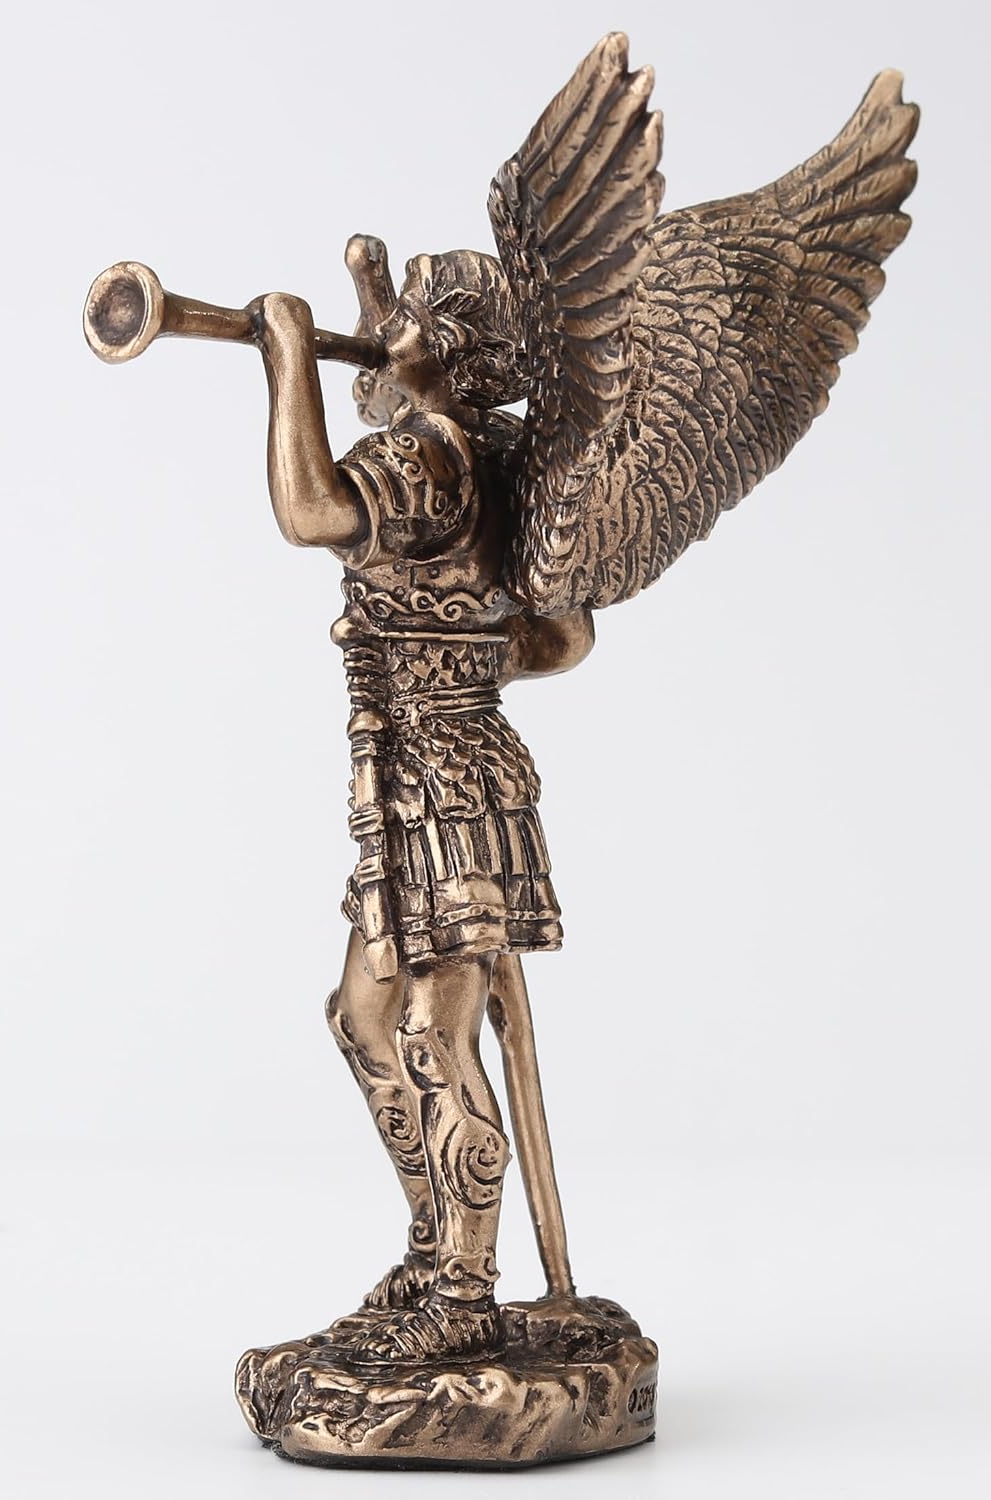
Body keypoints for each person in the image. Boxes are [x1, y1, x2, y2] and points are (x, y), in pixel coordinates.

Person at [249, 246, 593, 1362]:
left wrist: (288, 353)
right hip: (421, 780)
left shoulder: (431, 462)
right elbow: (559, 637)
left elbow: (311, 509)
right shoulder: (494, 460)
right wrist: (466, 653)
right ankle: (434, 1236)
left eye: (402, 316)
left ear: (443, 350)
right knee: (364, 1018)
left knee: (433, 1041)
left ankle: (465, 1293)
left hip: (447, 790)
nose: (382, 327)